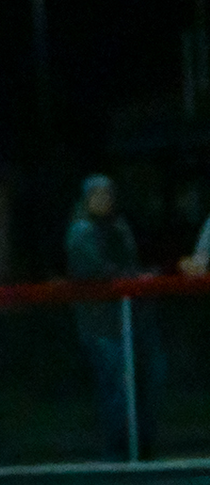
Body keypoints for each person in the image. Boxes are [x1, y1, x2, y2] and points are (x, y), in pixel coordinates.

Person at [66, 174, 165, 460]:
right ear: (87, 199)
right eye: (98, 195)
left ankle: (140, 446)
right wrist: (134, 279)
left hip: (130, 319)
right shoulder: (81, 231)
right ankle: (118, 450)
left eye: (108, 194)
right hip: (100, 323)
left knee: (145, 381)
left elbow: (128, 263)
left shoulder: (119, 227)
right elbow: (98, 270)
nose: (104, 200)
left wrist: (143, 278)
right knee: (115, 386)